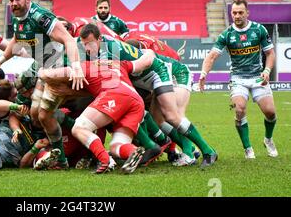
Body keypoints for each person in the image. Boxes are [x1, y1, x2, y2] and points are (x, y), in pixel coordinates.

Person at [79, 24, 218, 168]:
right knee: (157, 120)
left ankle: (205, 151)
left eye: (89, 44)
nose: (87, 49)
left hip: (162, 72)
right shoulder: (107, 45)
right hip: (147, 78)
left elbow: (123, 76)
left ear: (99, 39)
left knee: (172, 116)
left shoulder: (111, 50)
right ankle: (178, 147)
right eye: (84, 45)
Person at [0, 0, 86, 169]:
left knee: (43, 115)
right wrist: (0, 61)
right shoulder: (17, 18)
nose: (14, 3)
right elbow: (16, 40)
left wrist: (76, 67)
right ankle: (61, 145)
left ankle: (71, 148)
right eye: (11, 0)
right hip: (44, 69)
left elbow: (68, 39)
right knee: (36, 114)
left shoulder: (40, 17)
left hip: (60, 66)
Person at [39, 51, 159, 174]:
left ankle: (103, 160)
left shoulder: (84, 66)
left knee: (78, 128)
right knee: (116, 146)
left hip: (115, 94)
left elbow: (49, 75)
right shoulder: (118, 64)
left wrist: (41, 71)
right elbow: (145, 62)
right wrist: (149, 51)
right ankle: (132, 151)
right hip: (136, 101)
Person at [199, 0, 278, 159]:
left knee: (270, 112)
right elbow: (212, 56)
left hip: (258, 77)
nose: (237, 15)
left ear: (247, 13)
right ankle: (248, 148)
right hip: (238, 79)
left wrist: (267, 70)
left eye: (240, 12)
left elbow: (270, 53)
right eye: (234, 12)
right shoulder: (227, 34)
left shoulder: (259, 29)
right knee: (239, 109)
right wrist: (203, 74)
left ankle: (268, 139)